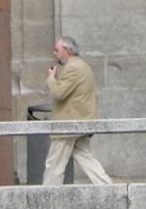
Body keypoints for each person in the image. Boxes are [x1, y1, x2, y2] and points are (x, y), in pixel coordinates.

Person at [42, 37, 112, 185]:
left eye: (57, 50)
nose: (54, 53)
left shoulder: (73, 68)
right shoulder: (83, 66)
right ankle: (109, 189)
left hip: (69, 125)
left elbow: (59, 93)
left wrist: (51, 78)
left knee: (54, 164)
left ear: (67, 50)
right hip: (80, 122)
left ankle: (47, 198)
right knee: (87, 158)